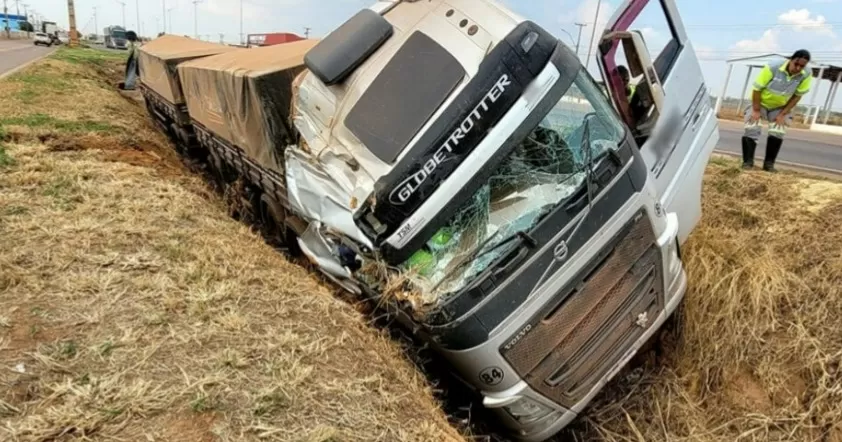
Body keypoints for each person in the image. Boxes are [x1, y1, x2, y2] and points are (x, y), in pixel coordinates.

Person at [741, 49, 813, 172]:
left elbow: (797, 96)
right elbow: (757, 89)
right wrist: (756, 110)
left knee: (778, 130)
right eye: (796, 64)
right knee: (752, 127)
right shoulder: (773, 67)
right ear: (790, 60)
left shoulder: (806, 73)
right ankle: (748, 163)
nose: (798, 68)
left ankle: (769, 165)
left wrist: (783, 114)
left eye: (802, 66)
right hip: (759, 103)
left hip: (780, 107)